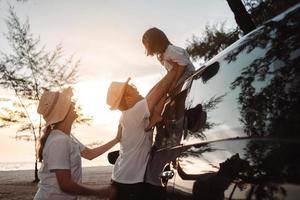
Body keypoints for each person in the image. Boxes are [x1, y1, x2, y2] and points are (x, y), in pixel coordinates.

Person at [34, 87, 121, 200]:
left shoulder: (67, 137)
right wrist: (100, 192)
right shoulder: (59, 141)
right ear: (63, 111)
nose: (74, 104)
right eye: (69, 103)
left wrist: (116, 139)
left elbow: (90, 154)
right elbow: (65, 185)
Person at [106, 68, 178, 200]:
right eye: (130, 89)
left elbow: (154, 94)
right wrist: (176, 68)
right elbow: (160, 88)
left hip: (122, 179)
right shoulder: (135, 112)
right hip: (129, 185)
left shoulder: (127, 115)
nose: (135, 88)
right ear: (127, 99)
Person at [142, 27, 195, 131]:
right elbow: (170, 70)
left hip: (187, 72)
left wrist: (174, 82)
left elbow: (183, 63)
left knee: (164, 92)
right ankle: (155, 115)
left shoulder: (170, 51)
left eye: (147, 44)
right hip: (177, 74)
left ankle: (157, 116)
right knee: (159, 92)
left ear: (155, 42)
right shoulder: (161, 55)